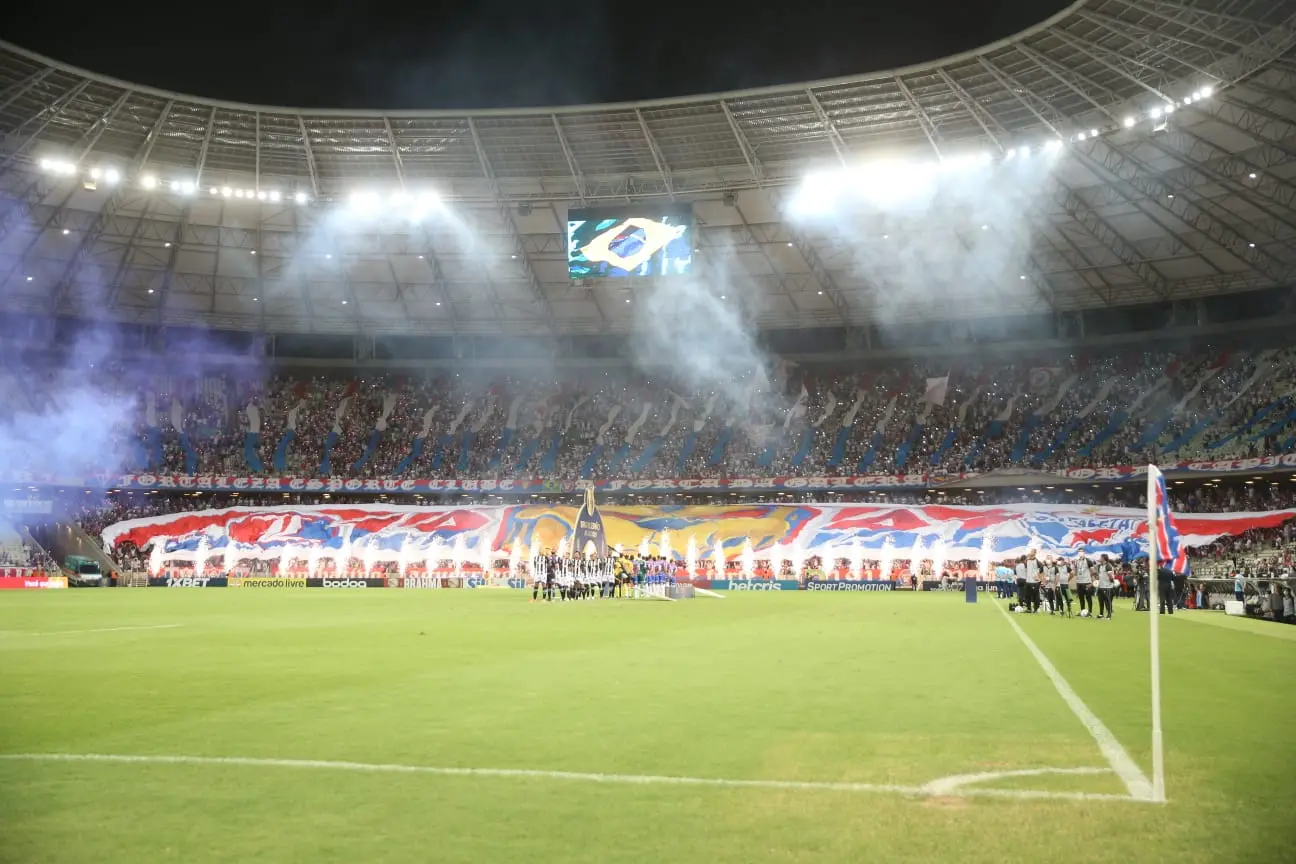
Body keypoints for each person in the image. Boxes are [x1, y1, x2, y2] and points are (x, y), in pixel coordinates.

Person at [1096, 555, 1115, 620]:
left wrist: (1111, 582)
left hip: (1107, 587)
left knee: (1107, 601)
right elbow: (1099, 575)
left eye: (1100, 557)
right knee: (1100, 601)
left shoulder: (1108, 566)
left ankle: (1109, 614)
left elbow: (1110, 576)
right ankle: (1101, 614)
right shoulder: (1099, 566)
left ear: (1104, 559)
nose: (1099, 558)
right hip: (1100, 586)